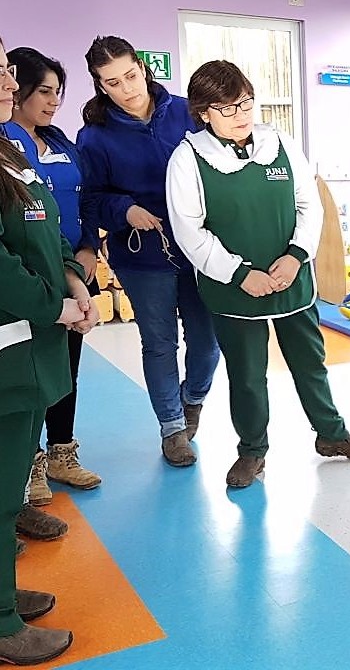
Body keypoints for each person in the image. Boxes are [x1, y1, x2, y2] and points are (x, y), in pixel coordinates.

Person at [165, 60, 350, 488]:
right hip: (235, 290)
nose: (242, 113)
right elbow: (189, 230)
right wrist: (241, 274)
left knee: (310, 362)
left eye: (246, 102)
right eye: (227, 108)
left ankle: (331, 435)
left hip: (291, 279)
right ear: (204, 112)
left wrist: (297, 254)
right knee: (246, 376)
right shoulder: (187, 159)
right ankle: (252, 451)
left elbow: (309, 205)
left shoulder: (278, 143)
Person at [78, 36, 220, 467]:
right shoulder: (94, 137)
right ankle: (172, 428)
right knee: (159, 344)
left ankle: (192, 400)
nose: (127, 88)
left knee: (207, 341)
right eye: (113, 82)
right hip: (142, 254)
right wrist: (125, 209)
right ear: (101, 86)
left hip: (200, 249)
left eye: (131, 75)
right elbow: (91, 198)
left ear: (143, 68)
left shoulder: (186, 111)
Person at [0, 37, 95, 665]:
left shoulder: (10, 151)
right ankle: (2, 626)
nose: (9, 81)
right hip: (10, 345)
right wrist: (52, 304)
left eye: (8, 69)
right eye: (0, 73)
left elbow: (44, 227)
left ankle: (2, 598)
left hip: (33, 344)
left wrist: (74, 278)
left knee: (11, 485)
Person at [4, 47, 102, 511]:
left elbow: (82, 204)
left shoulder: (61, 142)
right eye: (43, 91)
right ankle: (29, 467)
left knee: (64, 368)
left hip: (68, 268)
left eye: (58, 92)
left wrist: (86, 256)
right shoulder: (7, 143)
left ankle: (61, 450)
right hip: (28, 282)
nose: (53, 101)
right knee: (26, 379)